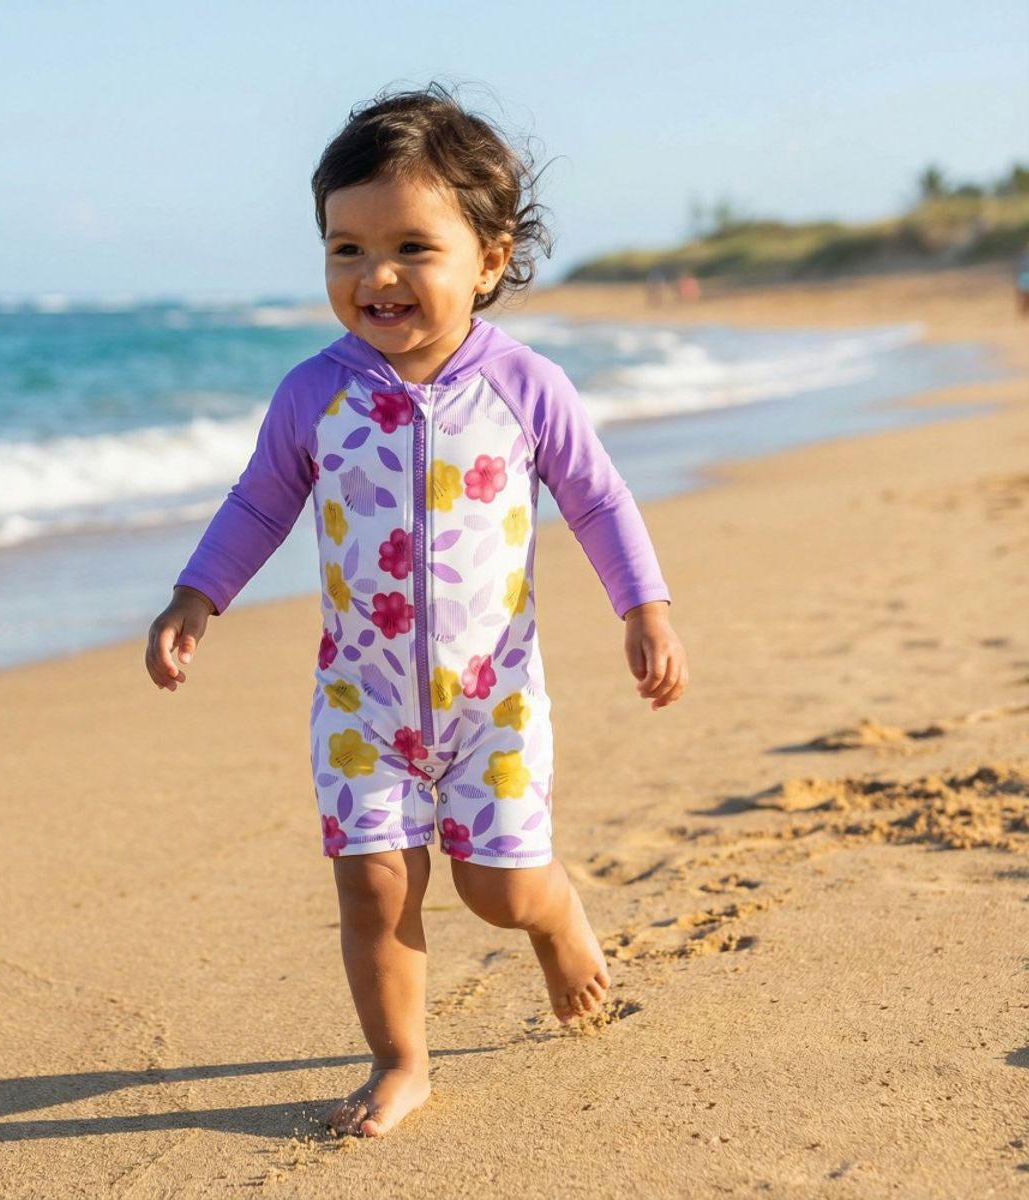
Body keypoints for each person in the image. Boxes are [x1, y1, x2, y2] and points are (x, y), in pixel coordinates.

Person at [144, 83, 689, 1138]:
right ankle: (401, 1061)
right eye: (345, 249)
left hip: (495, 701)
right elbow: (259, 501)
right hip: (362, 701)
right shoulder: (315, 393)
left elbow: (597, 499)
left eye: (410, 248)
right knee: (374, 889)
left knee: (496, 892)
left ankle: (555, 916)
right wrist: (195, 595)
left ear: (488, 260)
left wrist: (645, 606)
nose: (375, 276)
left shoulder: (526, 386)